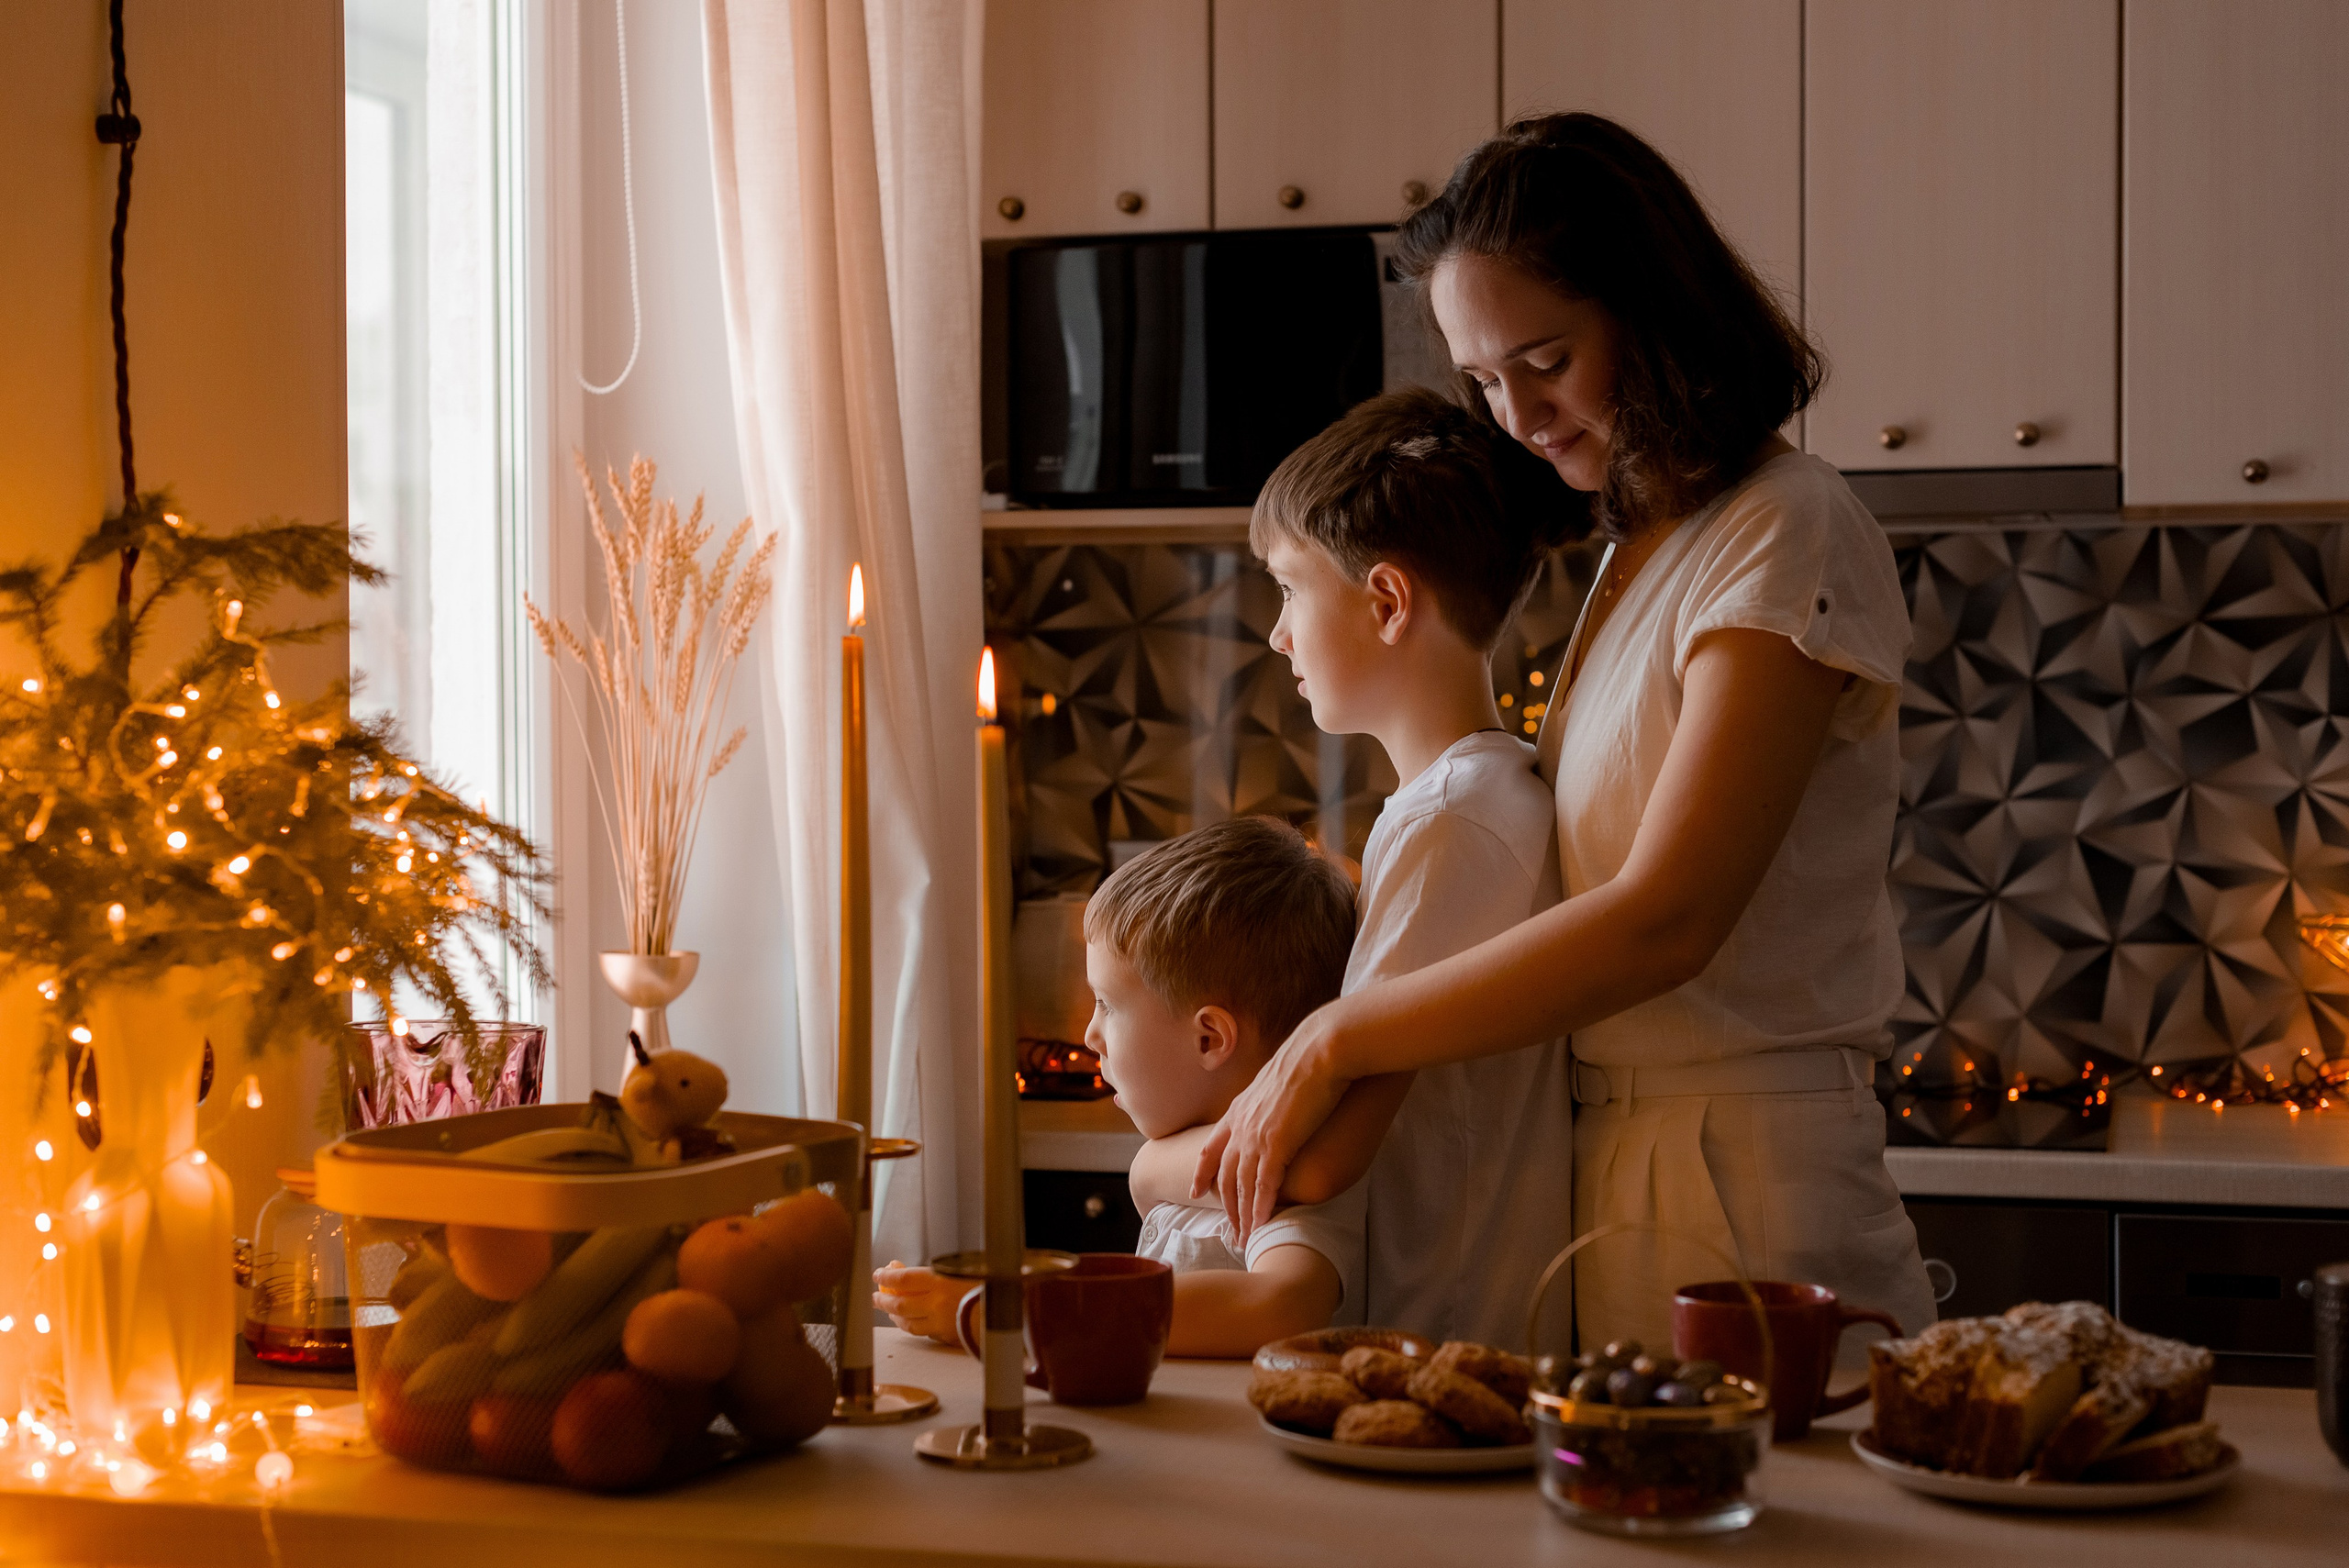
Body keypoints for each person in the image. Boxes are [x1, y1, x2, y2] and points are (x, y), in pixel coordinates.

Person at [1197, 112, 1939, 1356]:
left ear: (1658, 313)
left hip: (1743, 1172)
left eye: (1545, 357)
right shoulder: (1637, 549)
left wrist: (1334, 1035)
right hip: (1632, 1160)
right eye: (1484, 379)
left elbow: (1667, 918)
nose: (1520, 414)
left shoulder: (1785, 527)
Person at [1128, 388, 1574, 1348]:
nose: (1279, 632)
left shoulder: (1450, 819)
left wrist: (1148, 1170)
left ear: (1385, 601)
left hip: (1443, 1330)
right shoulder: (1472, 798)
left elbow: (1322, 1159)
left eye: (1289, 588)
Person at [874, 817, 1361, 1359]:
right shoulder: (1230, 1165)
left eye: (1106, 1004)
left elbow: (1283, 1304)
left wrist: (1016, 1312)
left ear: (1209, 1039)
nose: (1089, 1033)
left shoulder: (1272, 1182)